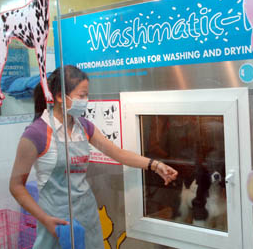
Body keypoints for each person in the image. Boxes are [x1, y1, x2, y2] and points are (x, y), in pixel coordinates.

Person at [9, 65, 178, 249]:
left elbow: (118, 153)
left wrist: (155, 165)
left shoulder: (83, 126)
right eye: (81, 96)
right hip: (56, 220)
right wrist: (44, 219)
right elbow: (16, 186)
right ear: (59, 96)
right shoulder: (36, 133)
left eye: (87, 95)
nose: (86, 101)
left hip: (87, 215)